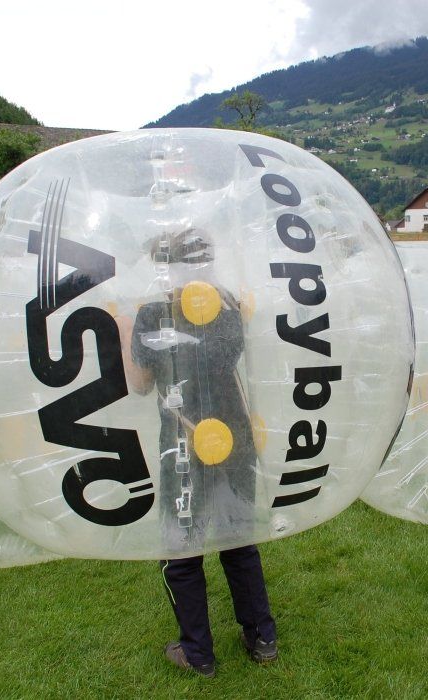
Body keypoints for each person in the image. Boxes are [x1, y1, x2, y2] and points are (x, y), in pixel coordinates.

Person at [122, 229, 277, 678]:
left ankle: (198, 652)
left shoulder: (154, 313)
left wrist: (122, 329)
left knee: (181, 549)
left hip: (184, 442)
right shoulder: (229, 305)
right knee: (238, 539)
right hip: (236, 437)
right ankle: (261, 637)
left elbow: (140, 384)